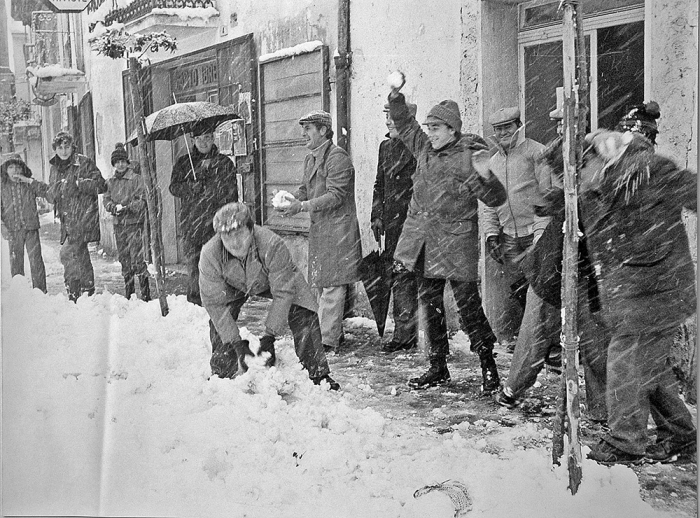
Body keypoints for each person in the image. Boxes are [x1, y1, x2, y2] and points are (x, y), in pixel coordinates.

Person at [571, 130, 696, 465]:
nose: (582, 172)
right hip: (633, 294)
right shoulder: (598, 187)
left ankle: (625, 440)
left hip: (659, 291)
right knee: (649, 367)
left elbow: (693, 191)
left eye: (587, 161)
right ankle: (681, 434)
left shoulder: (649, 172)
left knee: (626, 363)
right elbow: (552, 200)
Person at [387, 74, 507, 392]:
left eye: (436, 128)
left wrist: (485, 174)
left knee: (469, 308)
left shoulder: (470, 156)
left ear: (452, 129)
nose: (430, 133)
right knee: (431, 306)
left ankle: (488, 364)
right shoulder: (425, 149)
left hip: (456, 244)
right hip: (425, 243)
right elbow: (405, 124)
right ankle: (438, 366)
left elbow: (495, 199)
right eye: (429, 128)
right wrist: (396, 97)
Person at [199, 202, 339, 390]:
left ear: (251, 229)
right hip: (232, 284)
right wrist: (236, 342)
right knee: (219, 321)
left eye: (239, 234)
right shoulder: (210, 254)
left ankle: (318, 373)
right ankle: (224, 370)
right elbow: (214, 303)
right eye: (227, 236)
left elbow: (283, 292)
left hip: (271, 280)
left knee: (304, 311)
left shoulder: (272, 243)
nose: (234, 242)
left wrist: (270, 336)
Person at [276, 110, 362, 351]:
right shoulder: (311, 158)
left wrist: (301, 206)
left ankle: (327, 339)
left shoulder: (337, 158)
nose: (303, 133)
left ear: (323, 130)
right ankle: (332, 332)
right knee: (323, 282)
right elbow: (306, 189)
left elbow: (336, 195)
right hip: (322, 230)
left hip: (338, 231)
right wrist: (288, 199)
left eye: (308, 128)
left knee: (334, 285)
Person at [482, 107, 548, 314]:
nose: (503, 133)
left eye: (507, 127)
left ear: (519, 126)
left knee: (541, 289)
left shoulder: (536, 152)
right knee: (518, 288)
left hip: (535, 234)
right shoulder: (492, 163)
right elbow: (489, 203)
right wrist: (491, 235)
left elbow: (547, 195)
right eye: (498, 129)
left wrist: (541, 233)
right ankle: (524, 340)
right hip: (509, 238)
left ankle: (544, 341)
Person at [169, 129, 238, 306]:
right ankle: (195, 302)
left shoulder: (224, 163)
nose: (203, 142)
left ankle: (220, 300)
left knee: (218, 264)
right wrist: (191, 187)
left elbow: (232, 194)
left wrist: (215, 195)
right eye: (199, 138)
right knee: (193, 265)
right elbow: (173, 187)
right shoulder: (184, 163)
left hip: (216, 224)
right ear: (192, 140)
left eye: (207, 137)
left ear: (213, 138)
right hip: (192, 223)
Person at [370, 101, 419, 353]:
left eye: (392, 117)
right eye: (386, 116)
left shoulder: (418, 148)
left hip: (414, 223)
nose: (388, 121)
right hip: (393, 224)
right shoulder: (386, 147)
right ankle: (404, 333)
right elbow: (380, 183)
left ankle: (410, 334)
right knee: (399, 278)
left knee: (410, 278)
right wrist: (376, 214)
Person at [46, 131, 107, 301]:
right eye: (60, 147)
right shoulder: (55, 167)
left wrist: (82, 184)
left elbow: (101, 185)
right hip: (67, 219)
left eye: (67, 146)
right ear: (55, 149)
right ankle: (85, 290)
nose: (64, 150)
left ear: (72, 147)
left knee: (68, 253)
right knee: (79, 254)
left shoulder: (83, 163)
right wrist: (53, 192)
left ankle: (76, 291)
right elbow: (53, 192)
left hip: (83, 216)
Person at [103, 143, 150, 301]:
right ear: (114, 164)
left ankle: (145, 294)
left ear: (127, 162)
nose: (120, 164)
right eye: (117, 162)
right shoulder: (110, 182)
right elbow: (106, 199)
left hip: (133, 223)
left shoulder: (135, 179)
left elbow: (142, 199)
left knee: (137, 257)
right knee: (124, 258)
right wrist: (112, 207)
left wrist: (129, 207)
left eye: (123, 161)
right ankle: (129, 293)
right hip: (119, 225)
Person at [0, 153, 49, 292]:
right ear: (5, 170)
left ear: (22, 169)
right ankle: (19, 292)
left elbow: (48, 192)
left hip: (31, 228)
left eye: (17, 167)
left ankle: (40, 292)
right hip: (13, 230)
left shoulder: (29, 184)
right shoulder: (2, 187)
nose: (15, 171)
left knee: (36, 261)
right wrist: (2, 226)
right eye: (10, 167)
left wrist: (29, 181)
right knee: (16, 261)